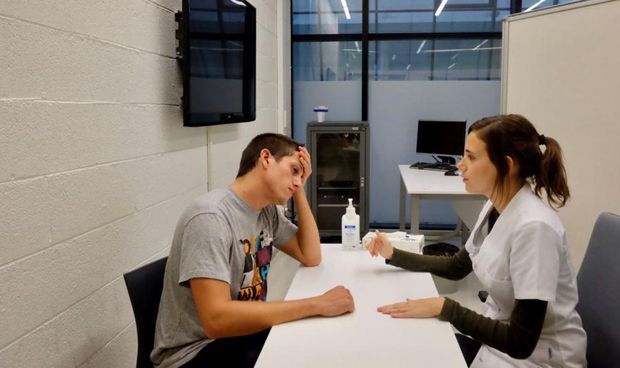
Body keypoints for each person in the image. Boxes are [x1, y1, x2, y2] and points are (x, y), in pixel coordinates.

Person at [367, 114, 587, 367]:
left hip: (539, 358)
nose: (461, 165)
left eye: (471, 157)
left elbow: (521, 342)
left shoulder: (535, 228)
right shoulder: (494, 207)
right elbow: (455, 267)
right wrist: (393, 253)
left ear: (507, 165)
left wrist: (446, 308)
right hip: (499, 344)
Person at [151, 133, 355, 368]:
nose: (299, 181)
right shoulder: (210, 217)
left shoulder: (266, 212)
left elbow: (310, 256)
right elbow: (215, 320)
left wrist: (297, 189)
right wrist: (317, 304)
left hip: (238, 336)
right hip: (194, 353)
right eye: (294, 170)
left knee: (315, 345)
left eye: (302, 175)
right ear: (266, 158)